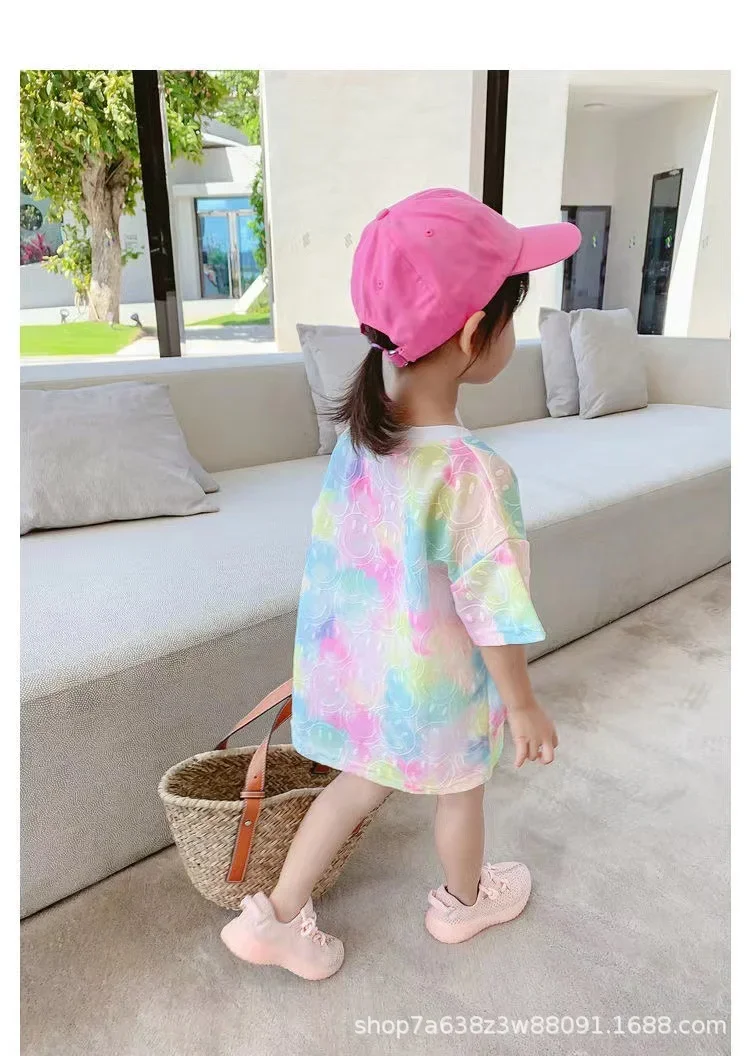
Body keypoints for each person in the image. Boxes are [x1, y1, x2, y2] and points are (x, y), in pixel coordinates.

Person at [221, 189, 582, 980]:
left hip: (367, 675)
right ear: (475, 335)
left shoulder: (359, 445)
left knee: (354, 788)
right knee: (463, 790)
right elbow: (494, 606)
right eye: (512, 317)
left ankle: (274, 915)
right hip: (439, 689)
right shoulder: (471, 473)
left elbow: (340, 564)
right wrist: (521, 703)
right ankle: (462, 903)